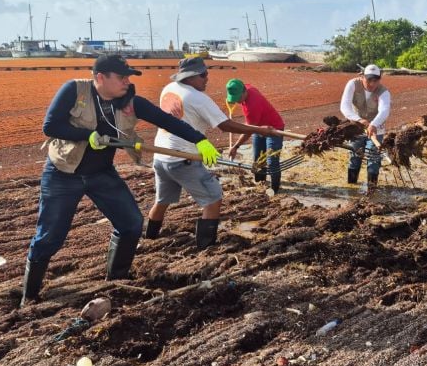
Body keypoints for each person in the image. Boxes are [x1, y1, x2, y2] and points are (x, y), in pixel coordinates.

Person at [20, 55, 220, 307]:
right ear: (100, 78)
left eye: (128, 77)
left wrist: (198, 139)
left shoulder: (130, 102)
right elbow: (50, 126)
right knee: (50, 237)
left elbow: (166, 120)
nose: (127, 82)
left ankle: (115, 280)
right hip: (63, 173)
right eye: (122, 77)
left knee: (131, 224)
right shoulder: (74, 90)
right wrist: (87, 135)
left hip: (101, 174)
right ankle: (30, 295)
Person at [144, 58, 278, 245]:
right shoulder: (198, 98)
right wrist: (261, 130)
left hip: (160, 157)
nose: (207, 78)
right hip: (183, 159)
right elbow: (225, 125)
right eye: (203, 75)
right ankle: (205, 247)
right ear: (190, 77)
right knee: (213, 199)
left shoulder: (169, 88)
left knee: (162, 201)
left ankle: (148, 238)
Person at [226, 78, 286, 193]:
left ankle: (275, 190)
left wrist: (235, 146)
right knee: (258, 160)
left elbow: (248, 130)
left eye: (238, 98)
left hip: (274, 128)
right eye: (234, 98)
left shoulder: (252, 106)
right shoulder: (248, 88)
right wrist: (232, 97)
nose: (237, 101)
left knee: (271, 160)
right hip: (259, 127)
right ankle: (260, 184)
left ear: (244, 92)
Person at [339, 64, 391, 186]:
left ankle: (371, 192)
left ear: (379, 79)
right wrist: (358, 120)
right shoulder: (352, 84)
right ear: (362, 77)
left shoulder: (384, 92)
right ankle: (351, 188)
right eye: (369, 80)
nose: (372, 84)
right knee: (354, 157)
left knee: (373, 160)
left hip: (376, 130)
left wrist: (373, 125)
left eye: (376, 80)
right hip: (356, 128)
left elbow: (384, 111)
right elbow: (344, 106)